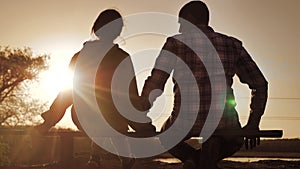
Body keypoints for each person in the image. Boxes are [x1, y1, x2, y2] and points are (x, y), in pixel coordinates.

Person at [141, 1, 268, 169]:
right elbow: (260, 83)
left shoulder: (174, 44)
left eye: (181, 23)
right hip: (224, 121)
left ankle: (192, 159)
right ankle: (205, 159)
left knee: (165, 135)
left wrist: (141, 113)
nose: (179, 29)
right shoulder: (232, 44)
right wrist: (253, 123)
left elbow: (156, 83)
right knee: (236, 139)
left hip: (183, 121)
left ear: (190, 19)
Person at [35, 9, 154, 169]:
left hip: (83, 118)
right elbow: (129, 97)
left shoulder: (79, 56)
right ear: (118, 31)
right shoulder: (122, 58)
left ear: (96, 28)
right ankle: (121, 158)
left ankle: (96, 157)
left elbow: (69, 92)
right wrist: (142, 124)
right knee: (112, 113)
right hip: (113, 119)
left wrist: (49, 121)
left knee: (93, 110)